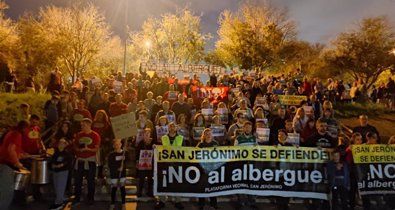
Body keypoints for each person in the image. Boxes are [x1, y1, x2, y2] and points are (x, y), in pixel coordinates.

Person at [0, 120, 29, 209]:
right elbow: (11, 149)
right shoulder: (17, 134)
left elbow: (11, 149)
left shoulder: (11, 132)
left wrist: (22, 155)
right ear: (24, 128)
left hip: (3, 163)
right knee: (7, 193)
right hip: (6, 165)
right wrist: (17, 163)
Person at [156, 122, 184, 210]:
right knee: (164, 182)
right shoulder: (163, 138)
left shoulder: (181, 138)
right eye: (170, 126)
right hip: (165, 164)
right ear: (168, 128)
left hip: (177, 164)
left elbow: (185, 150)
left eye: (173, 126)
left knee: (177, 183)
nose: (172, 128)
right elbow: (160, 149)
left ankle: (177, 201)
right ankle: (162, 201)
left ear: (176, 128)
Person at [73, 118, 101, 206]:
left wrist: (88, 149)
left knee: (90, 181)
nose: (82, 126)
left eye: (83, 125)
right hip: (80, 160)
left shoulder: (95, 135)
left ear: (89, 125)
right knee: (78, 180)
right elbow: (75, 146)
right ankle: (77, 198)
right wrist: (78, 150)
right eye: (81, 125)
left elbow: (96, 148)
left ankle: (90, 199)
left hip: (90, 160)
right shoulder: (79, 135)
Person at [234, 121, 258, 209]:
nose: (248, 129)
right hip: (241, 163)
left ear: (251, 129)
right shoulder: (238, 138)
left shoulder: (254, 138)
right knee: (241, 182)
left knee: (251, 182)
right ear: (243, 128)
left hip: (251, 163)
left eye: (249, 127)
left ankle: (252, 201)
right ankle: (241, 202)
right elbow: (235, 151)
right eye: (246, 127)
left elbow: (257, 150)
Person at [196, 128, 218, 210]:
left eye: (210, 134)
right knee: (202, 187)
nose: (208, 135)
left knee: (213, 187)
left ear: (212, 135)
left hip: (212, 169)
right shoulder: (200, 145)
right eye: (206, 134)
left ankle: (214, 203)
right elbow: (195, 156)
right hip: (203, 169)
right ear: (204, 135)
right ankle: (201, 204)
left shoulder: (216, 144)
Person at [50, 138, 72, 210]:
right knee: (57, 187)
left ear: (65, 145)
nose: (61, 145)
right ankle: (60, 199)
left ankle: (58, 203)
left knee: (60, 187)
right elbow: (51, 162)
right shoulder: (55, 153)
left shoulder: (67, 154)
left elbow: (68, 163)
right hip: (55, 171)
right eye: (60, 143)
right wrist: (53, 166)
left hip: (63, 172)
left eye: (63, 143)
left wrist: (61, 165)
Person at [108, 139, 129, 210]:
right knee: (114, 188)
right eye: (115, 144)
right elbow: (110, 165)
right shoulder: (111, 155)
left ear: (121, 144)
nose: (117, 146)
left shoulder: (125, 153)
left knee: (122, 188)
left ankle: (123, 203)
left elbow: (127, 162)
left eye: (118, 144)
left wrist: (123, 166)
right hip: (114, 174)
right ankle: (112, 203)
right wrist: (117, 168)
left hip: (122, 174)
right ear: (113, 146)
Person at [136, 128, 154, 197]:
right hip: (142, 162)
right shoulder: (141, 142)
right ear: (143, 135)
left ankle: (150, 192)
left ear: (150, 134)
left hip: (150, 163)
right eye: (145, 134)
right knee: (141, 178)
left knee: (150, 178)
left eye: (148, 134)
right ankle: (139, 192)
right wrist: (137, 161)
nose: (146, 135)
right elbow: (137, 152)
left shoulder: (153, 142)